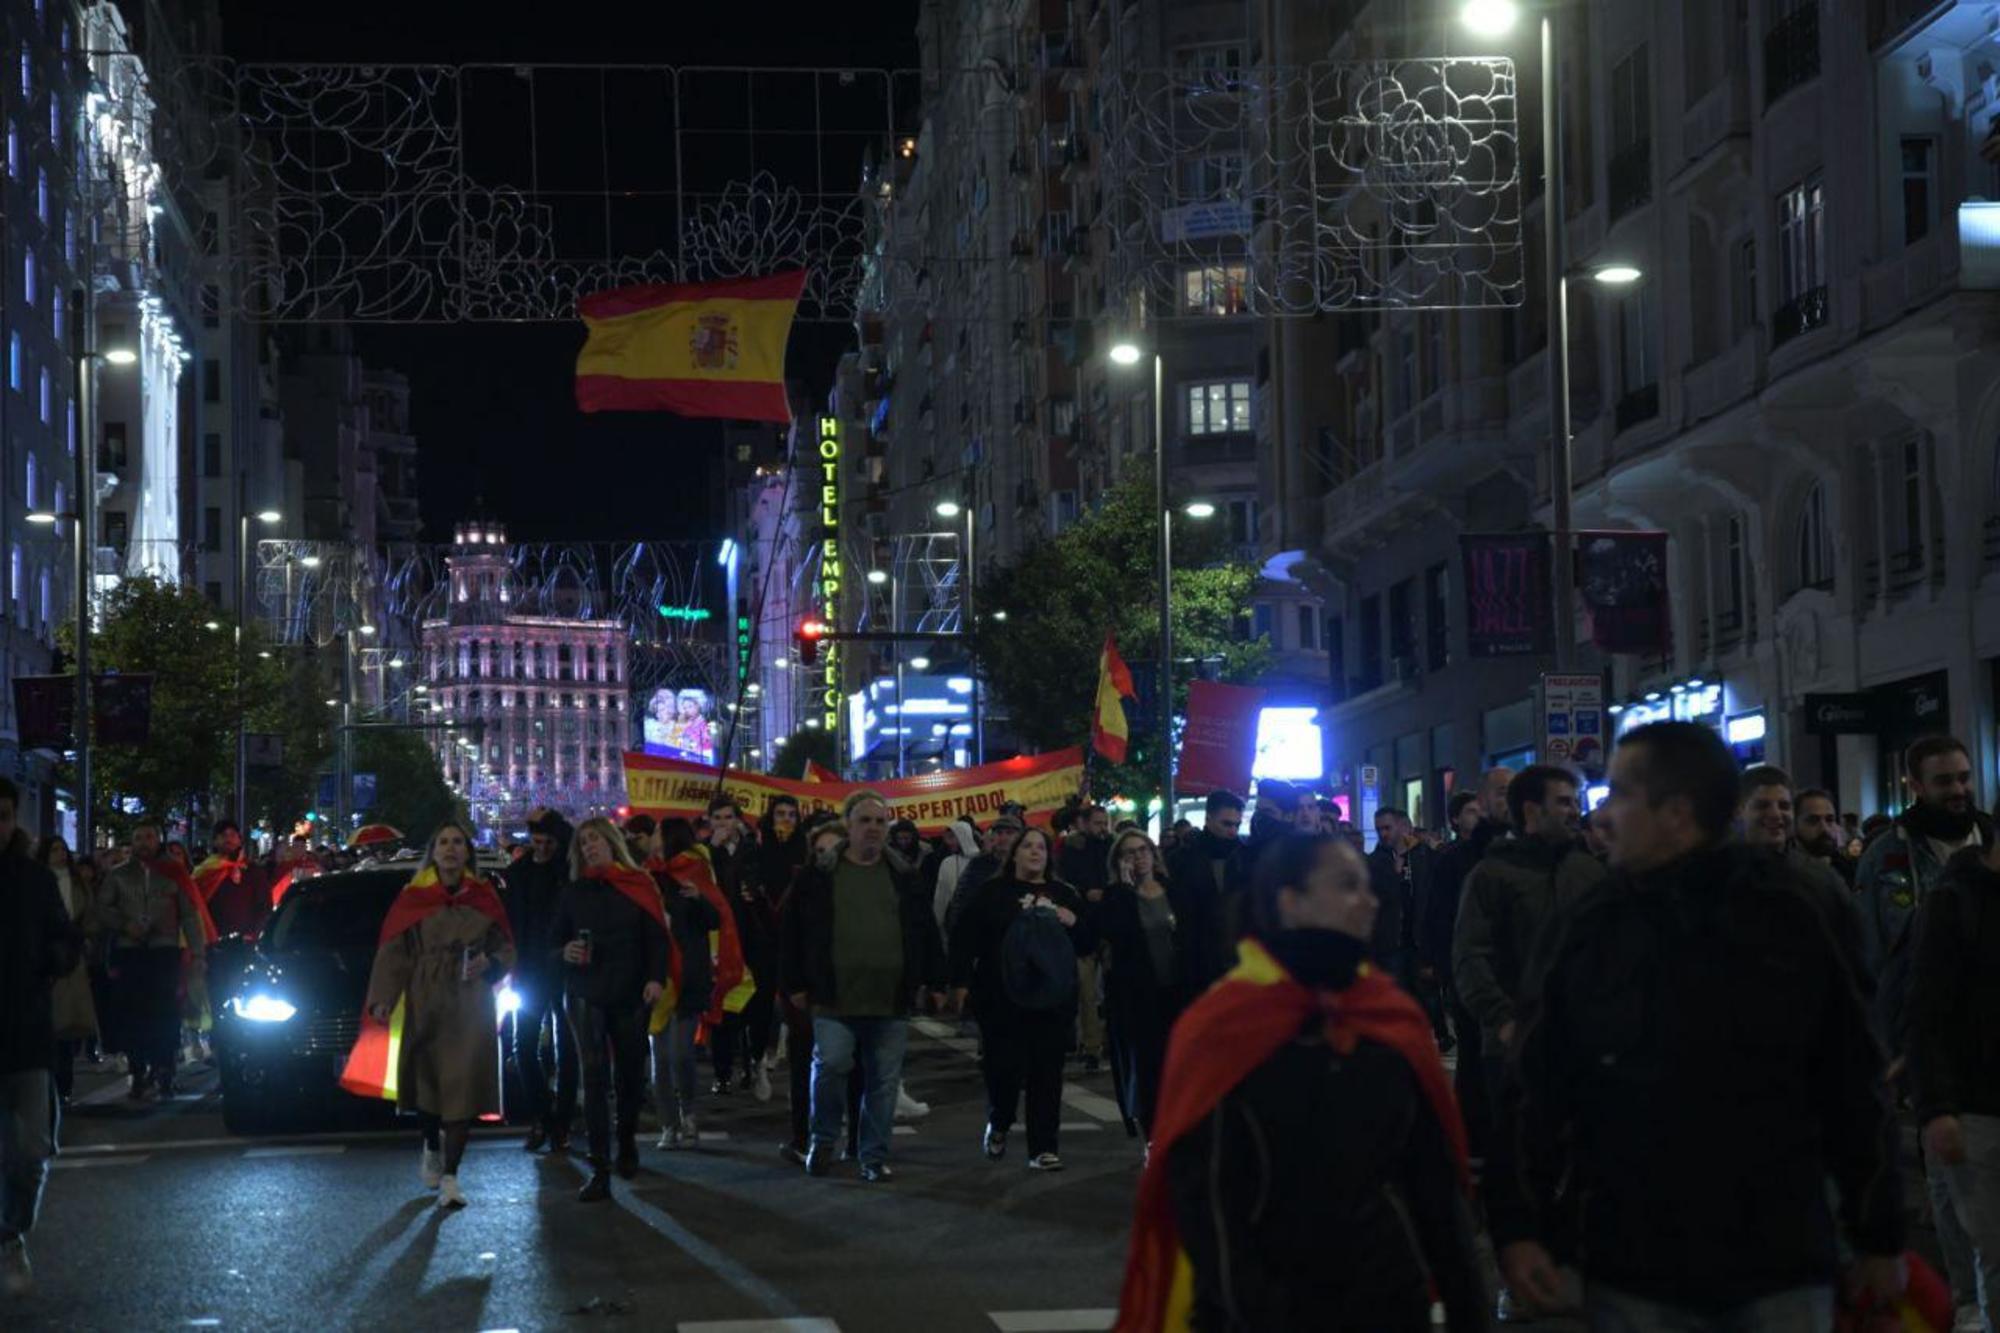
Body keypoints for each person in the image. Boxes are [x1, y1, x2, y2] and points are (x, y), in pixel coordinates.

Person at [1489, 722, 1905, 1328]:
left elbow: (1853, 1078)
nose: (1603, 816)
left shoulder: (1793, 912)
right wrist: (1520, 1225)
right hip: (1632, 1261)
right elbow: (1537, 1083)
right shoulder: (1591, 924)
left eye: (1623, 795)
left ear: (1677, 813)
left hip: (1776, 1259)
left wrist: (1878, 1233)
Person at [1118, 831, 1486, 1331]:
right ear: (1291, 902)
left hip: (1384, 1300)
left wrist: (1468, 1308)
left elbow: (1434, 1190)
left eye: (1367, 885)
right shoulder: (1223, 1026)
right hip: (1259, 1308)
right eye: (1347, 885)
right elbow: (1207, 1205)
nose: (1369, 900)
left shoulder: (1388, 1016)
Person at [779, 791, 946, 1181]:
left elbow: (924, 931)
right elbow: (793, 934)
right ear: (848, 826)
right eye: (864, 821)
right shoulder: (818, 876)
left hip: (890, 999)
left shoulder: (904, 876)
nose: (873, 828)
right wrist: (795, 983)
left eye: (879, 821)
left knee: (883, 1083)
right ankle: (822, 1141)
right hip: (834, 997)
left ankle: (872, 1156)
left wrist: (937, 980)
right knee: (832, 1065)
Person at [362, 822, 516, 1210]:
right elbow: (395, 950)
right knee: (428, 1082)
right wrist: (382, 997)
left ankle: (452, 1175)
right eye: (443, 842)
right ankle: (431, 1144)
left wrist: (491, 963)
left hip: (470, 999)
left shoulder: (483, 896)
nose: (450, 849)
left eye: (457, 842)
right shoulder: (413, 897)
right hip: (426, 995)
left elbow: (507, 946)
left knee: (462, 1084)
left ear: (468, 852)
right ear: (433, 851)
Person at [951, 826, 1096, 1170]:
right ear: (1014, 853)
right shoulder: (993, 893)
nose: (1035, 852)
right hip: (1001, 1000)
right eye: (1027, 846)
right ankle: (999, 1120)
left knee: (1047, 1073)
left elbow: (1088, 942)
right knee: (1005, 1071)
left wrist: (1073, 921)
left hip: (1051, 1002)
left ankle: (1043, 1147)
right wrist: (959, 983)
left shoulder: (1064, 893)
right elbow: (964, 938)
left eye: (1041, 847)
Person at [1908, 812, 2000, 1331]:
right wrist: (1936, 1108)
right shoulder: (1955, 901)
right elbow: (1927, 1013)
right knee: (1996, 1250)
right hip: (1979, 1107)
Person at [551, 818, 670, 1201]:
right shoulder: (572, 893)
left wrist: (656, 978)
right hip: (585, 991)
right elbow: (552, 943)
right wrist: (564, 952)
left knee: (630, 1076)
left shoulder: (639, 885)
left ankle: (628, 1141)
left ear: (611, 843)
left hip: (631, 990)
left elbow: (656, 936)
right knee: (594, 1077)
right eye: (583, 843)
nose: (589, 847)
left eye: (595, 840)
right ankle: (600, 1166)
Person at [1857, 736, 1989, 1058]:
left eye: (1963, 778)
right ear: (1916, 786)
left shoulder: (1993, 841)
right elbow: (1870, 952)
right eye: (1944, 781)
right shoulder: (1885, 855)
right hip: (1920, 1031)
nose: (1958, 790)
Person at [1, 779, 82, 1297]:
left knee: (32, 1150)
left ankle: (10, 1232)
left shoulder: (32, 880)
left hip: (26, 1032)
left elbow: (62, 937)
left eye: (4, 815)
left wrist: (51, 962)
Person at [1093, 829, 1204, 1142]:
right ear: (1119, 861)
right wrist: (1125, 889)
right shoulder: (1116, 897)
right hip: (1140, 997)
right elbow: (1116, 934)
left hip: (1177, 991)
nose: (1138, 857)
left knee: (1180, 1066)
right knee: (1147, 1069)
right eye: (1129, 852)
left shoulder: (1174, 890)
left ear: (1154, 854)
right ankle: (1153, 1137)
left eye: (1142, 850)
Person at [95, 822, 213, 1100]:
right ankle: (137, 1072)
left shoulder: (173, 874)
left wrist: (198, 952)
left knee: (165, 1012)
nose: (144, 842)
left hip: (164, 951)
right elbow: (102, 908)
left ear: (158, 840)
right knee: (133, 1013)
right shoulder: (118, 875)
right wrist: (126, 925)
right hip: (131, 952)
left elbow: (188, 914)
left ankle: (165, 1070)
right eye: (138, 837)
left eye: (149, 837)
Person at [1737, 766, 1869, 986]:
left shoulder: (1821, 878)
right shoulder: (1716, 878)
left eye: (1784, 806)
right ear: (1738, 810)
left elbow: (1852, 954)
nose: (1776, 814)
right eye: (1762, 805)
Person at [775, 822, 846, 1165]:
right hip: (808, 994)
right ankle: (803, 1136)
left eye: (833, 850)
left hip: (848, 991)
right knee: (804, 1065)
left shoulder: (857, 886)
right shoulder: (803, 886)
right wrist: (795, 987)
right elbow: (787, 939)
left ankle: (849, 1137)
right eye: (819, 851)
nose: (826, 857)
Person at [648, 818, 720, 1149]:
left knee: (680, 1054)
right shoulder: (647, 876)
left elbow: (716, 919)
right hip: (656, 978)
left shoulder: (695, 871)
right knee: (660, 1058)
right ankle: (668, 1123)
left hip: (688, 975)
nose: (653, 839)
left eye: (658, 834)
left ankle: (688, 1113)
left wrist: (698, 899)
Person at [509, 809, 578, 1153]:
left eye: (550, 842)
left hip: (566, 970)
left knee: (568, 1049)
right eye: (538, 842)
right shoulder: (518, 872)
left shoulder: (568, 871)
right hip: (530, 970)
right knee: (523, 1046)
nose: (544, 848)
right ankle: (542, 1115)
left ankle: (562, 1123)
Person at [704, 797, 770, 1098]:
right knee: (724, 1006)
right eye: (717, 818)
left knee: (754, 1006)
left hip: (750, 936)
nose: (722, 824)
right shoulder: (705, 853)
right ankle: (722, 1071)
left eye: (727, 817)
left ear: (737, 820)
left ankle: (754, 1063)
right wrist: (714, 850)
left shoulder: (752, 848)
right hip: (720, 938)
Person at [1164, 789, 1248, 986]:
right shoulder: (1181, 859)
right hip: (1197, 958)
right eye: (1226, 823)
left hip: (1237, 957)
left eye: (1237, 824)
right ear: (1208, 818)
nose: (1232, 831)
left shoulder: (1245, 857)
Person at [35, 837, 91, 1104]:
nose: (59, 855)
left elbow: (89, 912)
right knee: (51, 1021)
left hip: (71, 954)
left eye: (62, 850)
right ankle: (53, 1082)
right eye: (53, 850)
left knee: (68, 1023)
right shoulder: (37, 881)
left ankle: (64, 1082)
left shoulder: (76, 882)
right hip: (47, 955)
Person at [943, 813, 1023, 947]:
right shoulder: (979, 864)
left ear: (1019, 837)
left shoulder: (1027, 864)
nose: (1003, 837)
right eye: (999, 833)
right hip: (988, 940)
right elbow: (961, 903)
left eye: (1009, 833)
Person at [1795, 787, 1855, 888]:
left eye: (1829, 820)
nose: (1825, 829)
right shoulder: (1785, 876)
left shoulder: (1846, 869)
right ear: (1794, 824)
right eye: (1813, 820)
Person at [931, 817, 981, 931]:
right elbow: (941, 896)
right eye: (947, 838)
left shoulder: (983, 860)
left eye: (952, 837)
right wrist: (936, 922)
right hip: (956, 921)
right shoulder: (947, 863)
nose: (948, 842)